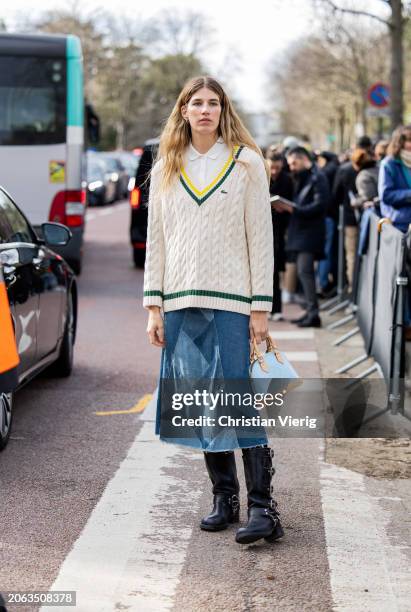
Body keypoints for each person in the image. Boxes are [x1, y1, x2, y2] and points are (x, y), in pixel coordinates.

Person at [143, 76, 284, 545]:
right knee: (204, 401)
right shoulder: (167, 164)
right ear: (183, 110)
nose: (205, 110)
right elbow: (157, 243)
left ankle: (263, 508)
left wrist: (260, 309)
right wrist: (153, 306)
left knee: (239, 399)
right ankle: (224, 499)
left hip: (233, 301)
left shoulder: (245, 163)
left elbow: (261, 239)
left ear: (224, 111)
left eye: (214, 103)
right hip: (181, 301)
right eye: (196, 103)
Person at [275, 146, 328, 327]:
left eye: (294, 163)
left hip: (310, 233)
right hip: (302, 232)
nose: (291, 167)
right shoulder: (304, 177)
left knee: (305, 272)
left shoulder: (317, 177)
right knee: (302, 273)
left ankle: (313, 314)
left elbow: (320, 205)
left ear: (304, 159)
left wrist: (294, 209)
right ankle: (310, 311)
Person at [332, 139, 373, 292]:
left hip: (351, 219)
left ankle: (353, 290)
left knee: (351, 256)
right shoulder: (374, 168)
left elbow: (335, 195)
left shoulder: (345, 169)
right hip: (361, 219)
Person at [266, 150, 293, 320]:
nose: (274, 171)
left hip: (281, 228)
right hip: (265, 225)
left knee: (276, 270)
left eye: (277, 168)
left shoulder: (287, 180)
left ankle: (277, 309)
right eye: (272, 167)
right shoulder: (261, 175)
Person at [378, 124, 411, 233]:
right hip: (400, 224)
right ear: (399, 143)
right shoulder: (389, 164)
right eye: (409, 140)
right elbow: (386, 195)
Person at [316, 151, 340, 296]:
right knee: (326, 251)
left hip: (326, 216)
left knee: (325, 251)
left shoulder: (324, 171)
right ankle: (323, 283)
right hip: (329, 217)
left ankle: (322, 282)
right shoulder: (331, 170)